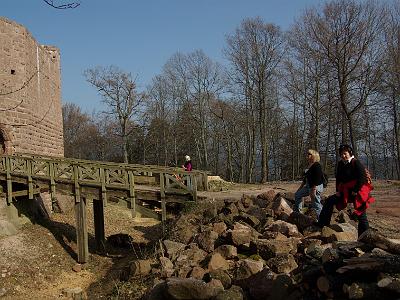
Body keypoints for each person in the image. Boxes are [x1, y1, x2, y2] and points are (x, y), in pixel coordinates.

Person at [317, 144, 375, 237]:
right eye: (341, 154)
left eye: (345, 153)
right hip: (345, 191)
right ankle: (322, 224)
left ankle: (366, 237)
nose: (343, 156)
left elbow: (362, 178)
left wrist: (355, 190)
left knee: (361, 214)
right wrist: (338, 191)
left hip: (358, 192)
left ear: (350, 153)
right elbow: (339, 178)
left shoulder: (356, 163)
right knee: (329, 201)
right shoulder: (341, 164)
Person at [294, 149, 324, 218]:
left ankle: (322, 219)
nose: (307, 155)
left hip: (315, 187)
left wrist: (313, 189)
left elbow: (317, 179)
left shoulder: (317, 165)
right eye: (307, 154)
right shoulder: (310, 165)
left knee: (316, 203)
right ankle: (299, 213)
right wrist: (300, 188)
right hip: (308, 186)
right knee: (297, 195)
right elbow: (305, 179)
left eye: (309, 154)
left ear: (313, 156)